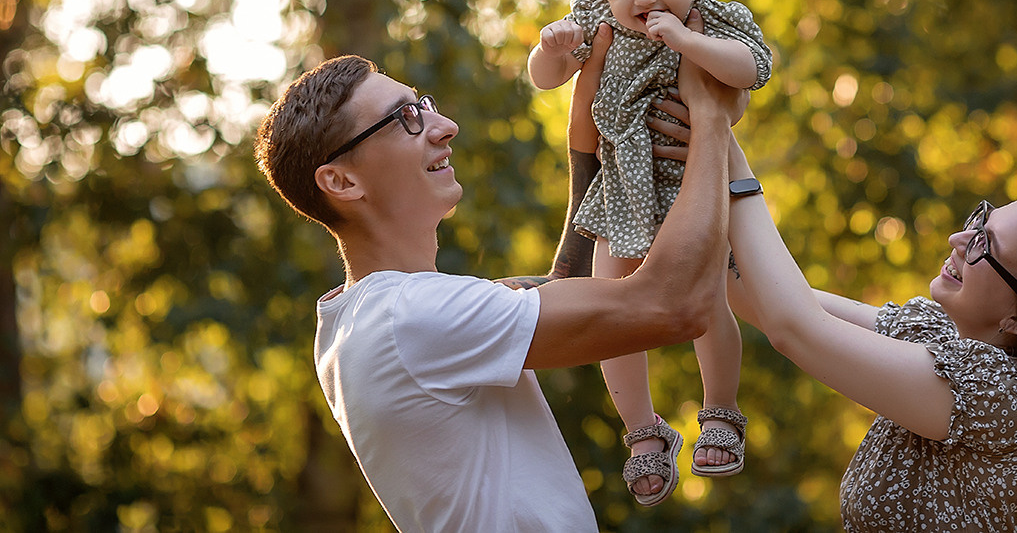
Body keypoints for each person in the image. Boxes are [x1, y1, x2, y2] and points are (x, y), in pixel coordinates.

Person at [251, 36, 743, 533]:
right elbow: (674, 306)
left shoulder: (363, 319)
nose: (445, 126)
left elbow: (564, 284)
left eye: (423, 105)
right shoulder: (412, 317)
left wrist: (592, 131)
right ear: (342, 182)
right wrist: (709, 119)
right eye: (404, 118)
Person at [645, 98, 1017, 532]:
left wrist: (722, 138)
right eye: (979, 221)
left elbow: (794, 329)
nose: (958, 239)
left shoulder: (1005, 402)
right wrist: (688, 177)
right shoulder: (938, 335)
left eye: (984, 245)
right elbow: (758, 296)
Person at [527, 0, 773, 505]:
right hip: (620, 194)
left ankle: (721, 409)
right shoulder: (600, 24)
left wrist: (687, 43)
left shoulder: (711, 21)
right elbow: (546, 79)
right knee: (609, 310)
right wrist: (550, 51)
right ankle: (642, 429)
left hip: (695, 192)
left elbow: (751, 69)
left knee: (707, 301)